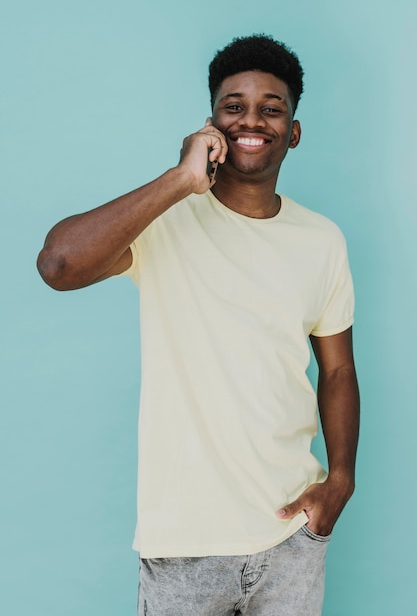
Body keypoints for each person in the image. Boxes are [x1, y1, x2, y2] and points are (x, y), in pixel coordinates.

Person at [37, 34, 360, 616]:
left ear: (294, 131)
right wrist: (179, 180)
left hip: (291, 535)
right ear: (210, 124)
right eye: (233, 106)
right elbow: (58, 265)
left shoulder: (323, 240)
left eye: (272, 107)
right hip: (184, 545)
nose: (251, 119)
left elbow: (338, 370)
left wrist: (340, 481)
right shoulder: (165, 221)